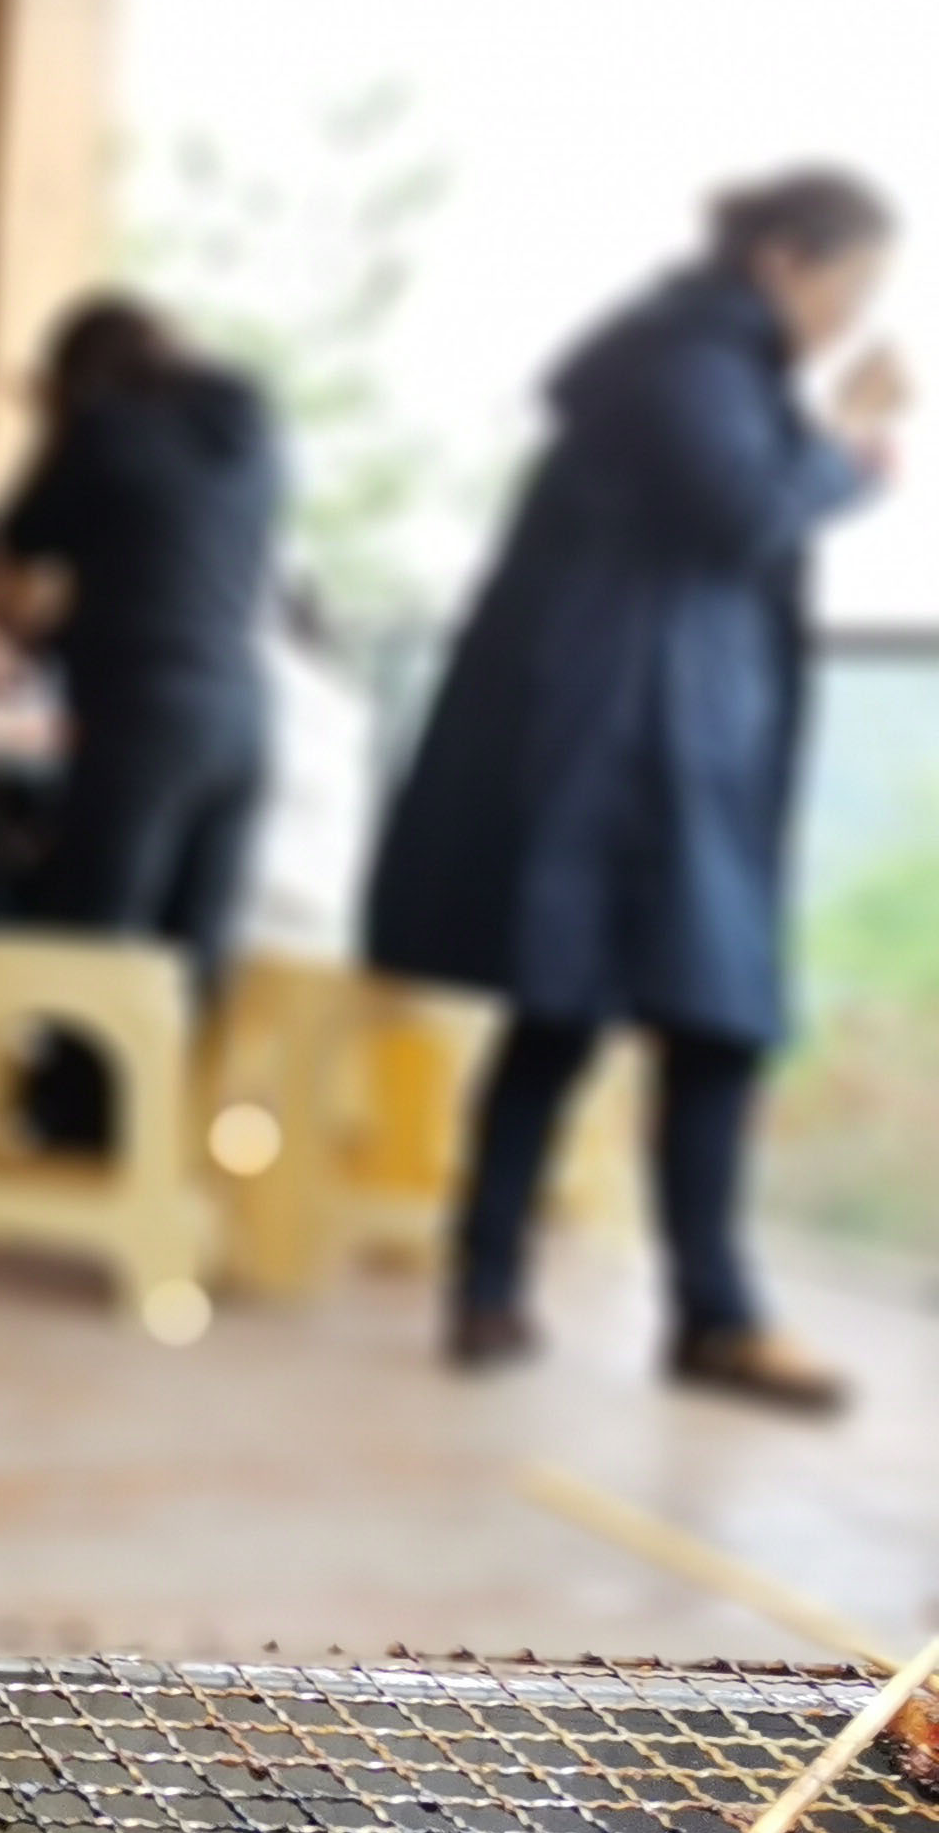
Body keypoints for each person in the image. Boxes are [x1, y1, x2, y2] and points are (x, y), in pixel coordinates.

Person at [368, 170, 904, 1410]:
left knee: (610, 1013)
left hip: (653, 734)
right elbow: (744, 514)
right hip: (636, 741)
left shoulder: (697, 356)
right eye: (852, 284)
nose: (854, 316)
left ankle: (524, 1291)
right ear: (782, 259)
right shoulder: (687, 358)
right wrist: (852, 442)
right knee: (672, 1017)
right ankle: (671, 1311)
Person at [0, 297, 283, 1002]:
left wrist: (56, 423)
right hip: (242, 713)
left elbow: (22, 533)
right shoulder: (251, 431)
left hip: (144, 712)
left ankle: (80, 1079)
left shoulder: (108, 428)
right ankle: (178, 1073)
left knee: (96, 939)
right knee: (193, 948)